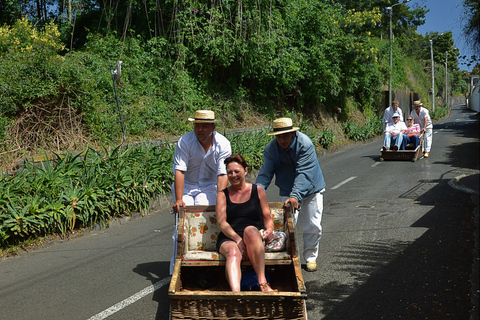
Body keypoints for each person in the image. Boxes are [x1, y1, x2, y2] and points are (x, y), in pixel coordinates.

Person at [255, 118, 326, 272]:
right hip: (287, 191)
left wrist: (295, 196)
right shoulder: (271, 150)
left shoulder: (305, 144)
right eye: (278, 136)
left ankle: (311, 257)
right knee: (286, 227)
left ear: (293, 133)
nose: (282, 140)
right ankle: (287, 258)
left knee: (312, 226)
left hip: (312, 189)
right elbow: (265, 173)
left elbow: (304, 174)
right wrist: (255, 192)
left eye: (285, 136)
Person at [170, 110, 232, 274]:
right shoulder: (185, 141)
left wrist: (221, 200)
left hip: (209, 186)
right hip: (187, 186)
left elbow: (222, 175)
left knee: (209, 222)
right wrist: (178, 199)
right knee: (182, 225)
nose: (200, 130)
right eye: (197, 125)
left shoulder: (223, 144)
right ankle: (177, 270)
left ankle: (207, 266)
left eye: (204, 126)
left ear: (213, 127)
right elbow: (179, 171)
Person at [216, 154, 275, 292]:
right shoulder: (222, 195)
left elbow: (267, 217)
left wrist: (269, 229)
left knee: (250, 230)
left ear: (245, 171)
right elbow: (221, 223)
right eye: (230, 172)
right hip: (229, 236)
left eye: (237, 171)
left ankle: (262, 282)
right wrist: (237, 239)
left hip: (252, 235)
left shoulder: (258, 190)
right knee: (233, 252)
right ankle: (236, 294)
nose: (233, 175)